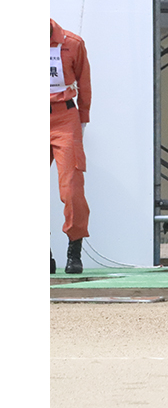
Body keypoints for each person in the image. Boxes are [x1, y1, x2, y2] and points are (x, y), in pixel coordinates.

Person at [50, 18, 92, 274]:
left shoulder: (72, 43)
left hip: (65, 117)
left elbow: (84, 82)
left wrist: (83, 119)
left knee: (72, 187)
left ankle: (74, 251)